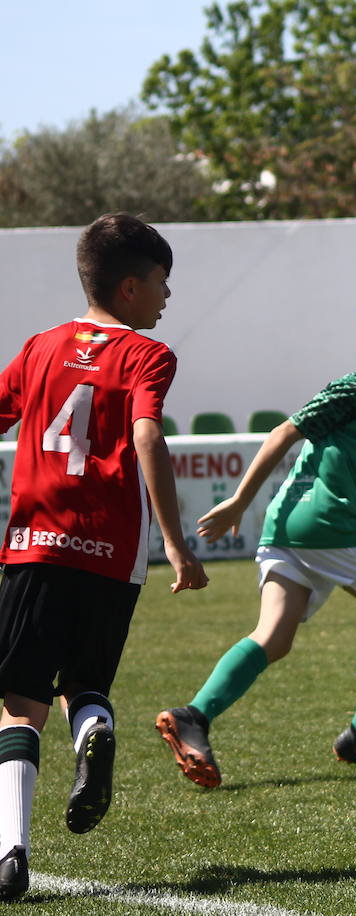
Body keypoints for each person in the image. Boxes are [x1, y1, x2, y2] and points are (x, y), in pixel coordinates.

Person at [155, 294, 356, 789]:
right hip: (325, 527)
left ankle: (193, 716)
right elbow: (285, 431)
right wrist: (239, 501)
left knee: (273, 638)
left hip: (287, 529)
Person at [0, 214, 209, 901]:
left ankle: (11, 849)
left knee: (18, 705)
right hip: (112, 555)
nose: (167, 297)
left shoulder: (39, 347)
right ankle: (95, 732)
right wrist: (177, 545)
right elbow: (147, 434)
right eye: (161, 283)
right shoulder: (149, 356)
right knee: (83, 686)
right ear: (128, 288)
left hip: (34, 546)